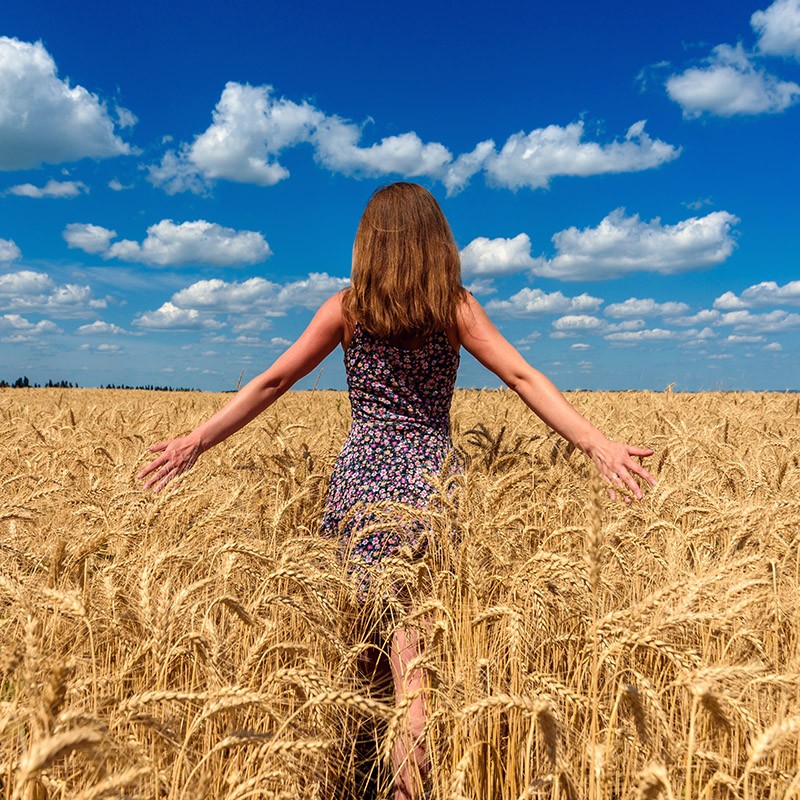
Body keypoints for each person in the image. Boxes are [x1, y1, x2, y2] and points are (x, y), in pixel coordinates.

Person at [137, 181, 656, 799]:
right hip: (429, 483)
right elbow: (521, 375)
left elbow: (274, 380)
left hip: (362, 485)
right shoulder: (454, 306)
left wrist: (196, 440)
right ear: (436, 239)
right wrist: (597, 443)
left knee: (368, 648)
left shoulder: (349, 307)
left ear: (369, 242)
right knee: (416, 662)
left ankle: (362, 776)